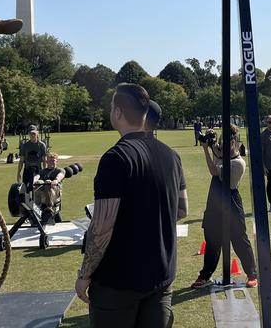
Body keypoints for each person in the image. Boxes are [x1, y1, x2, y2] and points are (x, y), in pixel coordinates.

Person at [75, 83, 187, 328]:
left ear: (118, 113)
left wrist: (84, 275)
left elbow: (102, 226)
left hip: (118, 282)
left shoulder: (115, 158)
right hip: (161, 275)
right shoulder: (172, 156)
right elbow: (181, 210)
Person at [190, 124, 258, 289]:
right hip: (214, 199)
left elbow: (214, 171)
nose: (222, 145)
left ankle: (252, 274)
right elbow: (218, 157)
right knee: (212, 239)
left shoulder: (238, 163)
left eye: (227, 142)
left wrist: (206, 149)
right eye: (221, 141)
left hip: (231, 200)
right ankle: (205, 276)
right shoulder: (220, 154)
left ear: (235, 142)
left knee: (239, 239)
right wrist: (211, 141)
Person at [34, 153, 65, 223]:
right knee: (39, 182)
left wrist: (56, 180)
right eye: (50, 161)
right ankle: (36, 206)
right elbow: (37, 177)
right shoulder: (42, 171)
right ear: (46, 162)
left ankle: (49, 207)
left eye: (53, 161)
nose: (51, 163)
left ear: (57, 161)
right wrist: (33, 181)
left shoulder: (60, 170)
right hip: (43, 193)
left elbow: (60, 176)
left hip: (55, 192)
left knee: (48, 182)